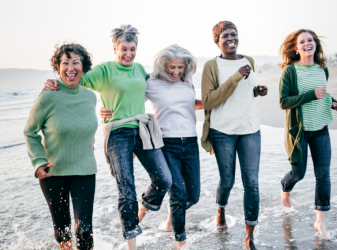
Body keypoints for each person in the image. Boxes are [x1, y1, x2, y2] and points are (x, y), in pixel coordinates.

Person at [43, 25, 172, 250]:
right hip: (118, 133)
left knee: (163, 179)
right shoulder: (104, 70)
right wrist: (53, 83)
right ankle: (131, 243)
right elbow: (74, 81)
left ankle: (143, 208)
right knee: (126, 187)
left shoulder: (140, 69)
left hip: (142, 129)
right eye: (123, 49)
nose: (128, 54)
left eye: (132, 49)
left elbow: (151, 91)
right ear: (114, 48)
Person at [101, 44, 202, 250]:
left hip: (191, 142)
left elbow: (190, 104)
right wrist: (106, 110)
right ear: (163, 66)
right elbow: (131, 97)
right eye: (171, 67)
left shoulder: (187, 83)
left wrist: (216, 102)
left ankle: (157, 208)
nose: (176, 72)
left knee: (193, 196)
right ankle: (181, 242)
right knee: (178, 194)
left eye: (180, 68)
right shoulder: (151, 83)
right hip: (166, 143)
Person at [201, 21, 268, 250]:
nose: (231, 39)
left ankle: (249, 237)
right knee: (227, 181)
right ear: (217, 40)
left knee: (252, 183)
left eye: (234, 34)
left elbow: (244, 93)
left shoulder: (248, 60)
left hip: (250, 129)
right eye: (225, 36)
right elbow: (209, 100)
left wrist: (257, 92)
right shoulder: (212, 66)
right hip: (223, 131)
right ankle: (221, 209)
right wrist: (236, 77)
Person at [24, 43, 97, 250]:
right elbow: (30, 131)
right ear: (58, 67)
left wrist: (88, 143)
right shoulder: (48, 96)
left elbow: (85, 126)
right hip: (53, 173)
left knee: (84, 229)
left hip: (85, 170)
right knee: (63, 230)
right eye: (65, 63)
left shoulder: (90, 97)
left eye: (76, 62)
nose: (70, 68)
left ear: (84, 67)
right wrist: (38, 162)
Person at [278, 29, 337, 239]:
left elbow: (323, 92)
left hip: (321, 129)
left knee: (323, 176)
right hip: (299, 132)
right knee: (299, 173)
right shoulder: (290, 71)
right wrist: (310, 95)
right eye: (303, 42)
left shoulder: (321, 69)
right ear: (296, 48)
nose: (308, 44)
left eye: (311, 40)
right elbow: (284, 101)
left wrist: (333, 103)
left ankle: (320, 222)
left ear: (315, 45)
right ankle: (285, 186)